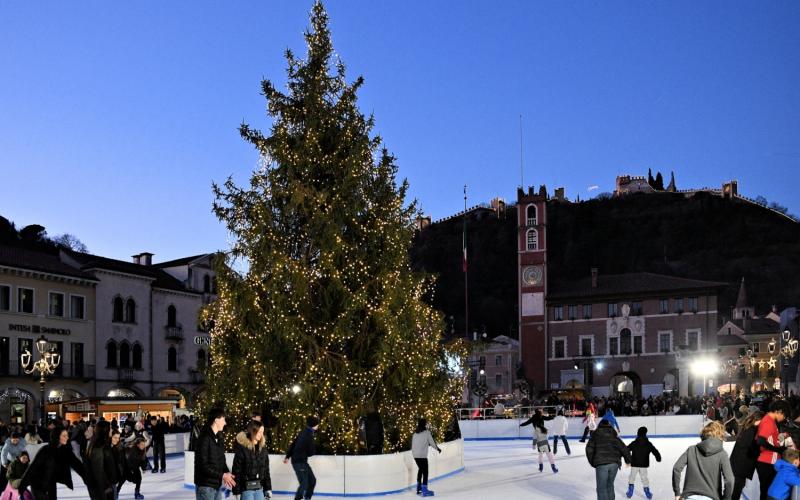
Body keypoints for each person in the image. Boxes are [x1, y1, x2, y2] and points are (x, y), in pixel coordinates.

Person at [18, 425, 87, 500]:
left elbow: (78, 465)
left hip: (51, 482)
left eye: (67, 435)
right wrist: (22, 485)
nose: (67, 438)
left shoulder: (66, 451)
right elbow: (33, 467)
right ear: (57, 436)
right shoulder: (46, 450)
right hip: (38, 483)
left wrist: (88, 479)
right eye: (64, 436)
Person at [672, 420, 734, 500]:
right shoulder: (722, 454)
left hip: (689, 497)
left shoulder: (692, 450)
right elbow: (730, 480)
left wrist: (677, 493)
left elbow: (676, 468)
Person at [194, 408, 236, 500]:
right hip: (205, 486)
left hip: (216, 485)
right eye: (223, 419)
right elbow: (203, 465)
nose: (225, 423)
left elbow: (221, 459)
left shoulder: (219, 437)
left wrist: (227, 473)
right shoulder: (204, 438)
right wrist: (223, 475)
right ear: (216, 420)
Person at [586, 419, 631, 500]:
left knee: (601, 488)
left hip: (601, 464)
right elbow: (624, 448)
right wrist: (628, 460)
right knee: (609, 485)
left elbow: (589, 449)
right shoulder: (614, 435)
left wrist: (593, 462)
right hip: (614, 464)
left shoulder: (595, 434)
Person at [755, 401, 791, 500]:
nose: (784, 418)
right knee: (767, 492)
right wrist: (778, 449)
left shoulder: (769, 420)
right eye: (784, 415)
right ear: (778, 411)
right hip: (767, 462)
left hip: (768, 461)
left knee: (767, 492)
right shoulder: (768, 421)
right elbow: (761, 440)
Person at [232, 420, 272, 500]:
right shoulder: (242, 448)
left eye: (262, 432)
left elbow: (266, 470)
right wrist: (236, 491)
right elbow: (237, 471)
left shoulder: (263, 449)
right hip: (246, 489)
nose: (261, 435)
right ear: (253, 431)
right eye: (259, 432)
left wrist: (268, 488)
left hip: (259, 488)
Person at [729, 410, 764, 500]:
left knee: (735, 489)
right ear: (759, 420)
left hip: (737, 465)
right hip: (740, 466)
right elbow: (752, 449)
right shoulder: (752, 431)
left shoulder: (747, 428)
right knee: (735, 491)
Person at [283, 416, 319, 500]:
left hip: (302, 461)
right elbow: (310, 452)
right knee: (304, 483)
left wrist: (287, 456)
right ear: (313, 425)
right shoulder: (308, 434)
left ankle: (307, 497)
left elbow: (293, 444)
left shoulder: (306, 432)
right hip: (298, 461)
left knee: (312, 481)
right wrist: (312, 451)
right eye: (317, 424)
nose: (318, 425)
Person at [84, 420, 117, 500]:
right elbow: (98, 469)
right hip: (103, 487)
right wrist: (106, 487)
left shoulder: (102, 443)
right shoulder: (98, 446)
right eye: (110, 428)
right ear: (105, 430)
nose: (112, 430)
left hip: (105, 484)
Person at [625, 426, 661, 499]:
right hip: (643, 464)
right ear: (645, 434)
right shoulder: (648, 443)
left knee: (632, 477)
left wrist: (627, 457)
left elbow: (627, 449)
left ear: (638, 434)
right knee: (644, 478)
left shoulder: (634, 443)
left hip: (634, 464)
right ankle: (647, 491)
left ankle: (630, 490)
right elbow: (655, 451)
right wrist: (658, 457)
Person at [411, 418, 441, 497]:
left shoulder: (415, 433)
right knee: (425, 472)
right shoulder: (427, 433)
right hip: (422, 456)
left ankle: (418, 487)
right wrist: (437, 448)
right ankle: (424, 490)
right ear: (424, 424)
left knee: (421, 469)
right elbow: (432, 442)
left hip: (415, 455)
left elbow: (413, 444)